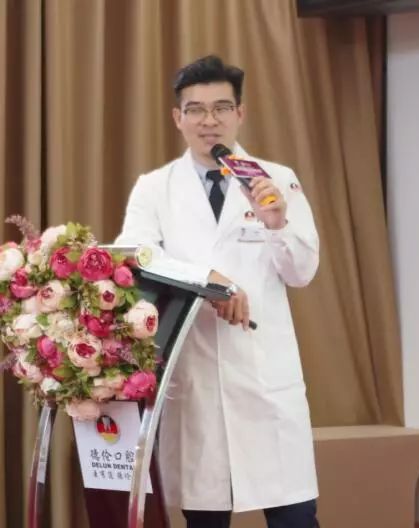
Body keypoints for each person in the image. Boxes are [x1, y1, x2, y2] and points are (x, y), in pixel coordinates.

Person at [115, 55, 320, 528]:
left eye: (222, 108)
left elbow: (302, 272)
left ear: (240, 113)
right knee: (205, 518)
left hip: (264, 376)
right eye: (196, 110)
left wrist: (277, 224)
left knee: (295, 517)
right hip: (197, 374)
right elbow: (135, 257)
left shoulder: (276, 179)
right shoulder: (155, 188)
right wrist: (209, 282)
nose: (210, 121)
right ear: (178, 118)